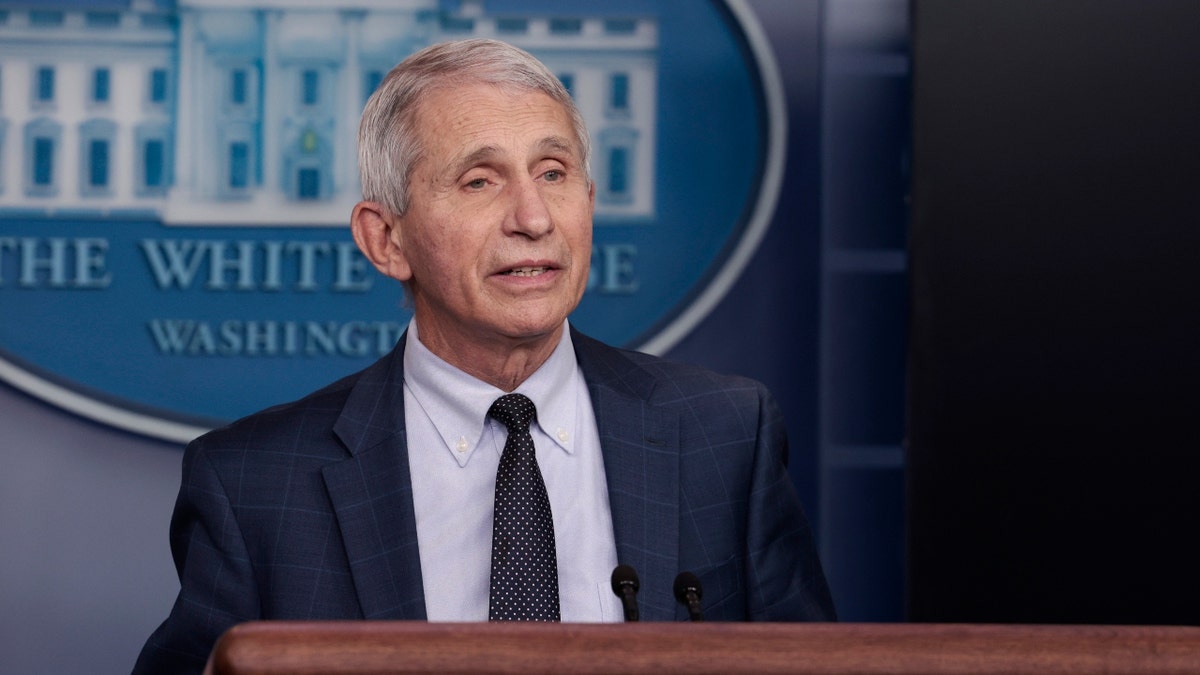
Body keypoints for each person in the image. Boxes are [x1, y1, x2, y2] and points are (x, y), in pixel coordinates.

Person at [134, 38, 834, 673]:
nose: (532, 218)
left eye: (554, 174)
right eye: (480, 181)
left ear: (589, 202)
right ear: (387, 240)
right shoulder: (254, 486)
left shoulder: (726, 436)